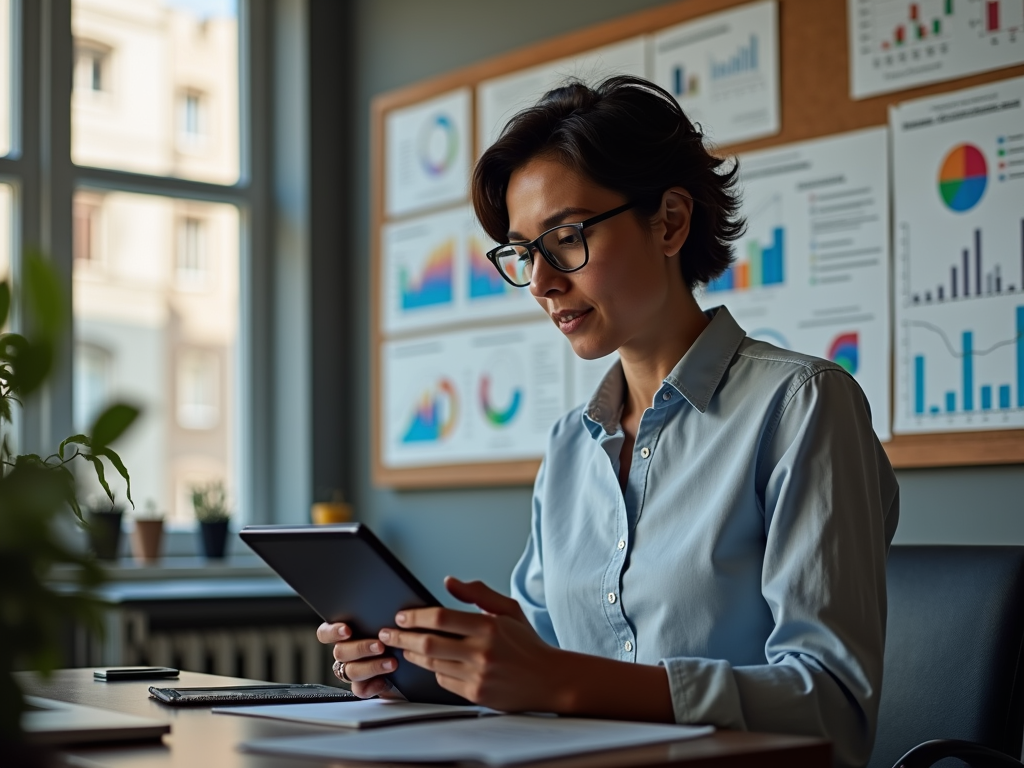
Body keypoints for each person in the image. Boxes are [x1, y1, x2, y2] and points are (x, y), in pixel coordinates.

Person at [318, 75, 899, 768]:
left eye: (564, 238)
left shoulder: (804, 404)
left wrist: (561, 679)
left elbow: (831, 707)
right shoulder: (572, 443)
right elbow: (545, 674)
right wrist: (425, 669)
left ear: (670, 222)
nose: (540, 281)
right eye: (523, 252)